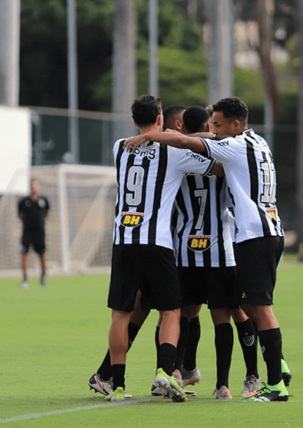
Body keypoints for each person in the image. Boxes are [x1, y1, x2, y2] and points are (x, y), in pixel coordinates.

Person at [124, 96, 290, 402]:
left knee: (255, 308)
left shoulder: (235, 146)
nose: (213, 130)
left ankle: (276, 383)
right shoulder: (258, 142)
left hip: (252, 236)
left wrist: (148, 135)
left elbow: (187, 144)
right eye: (210, 125)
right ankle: (276, 366)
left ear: (235, 125)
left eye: (217, 124)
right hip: (261, 232)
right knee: (246, 307)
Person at [104, 95, 222, 402]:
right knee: (171, 309)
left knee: (120, 314)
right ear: (161, 120)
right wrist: (208, 137)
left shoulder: (119, 148)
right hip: (156, 241)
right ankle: (167, 372)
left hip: (123, 241)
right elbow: (216, 167)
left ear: (134, 121)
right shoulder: (172, 150)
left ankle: (116, 385)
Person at [172, 105, 262, 400]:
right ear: (208, 127)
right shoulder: (224, 151)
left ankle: (178, 373)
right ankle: (224, 384)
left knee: (184, 313)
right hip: (222, 248)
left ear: (181, 128)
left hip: (186, 248)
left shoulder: (177, 155)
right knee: (225, 314)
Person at [18, 180, 50, 288]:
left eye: (35, 186)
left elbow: (47, 213)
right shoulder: (24, 202)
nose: (34, 188)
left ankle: (42, 278)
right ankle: (25, 279)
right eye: (32, 186)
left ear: (38, 187)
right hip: (27, 233)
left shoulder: (44, 200)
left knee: (42, 256)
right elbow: (19, 214)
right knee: (25, 255)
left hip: (39, 233)